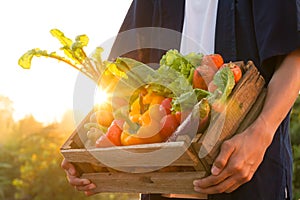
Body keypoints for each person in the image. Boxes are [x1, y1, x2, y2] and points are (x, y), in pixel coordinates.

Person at [61, 0, 300, 199]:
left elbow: (294, 55)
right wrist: (89, 153)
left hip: (246, 175)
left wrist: (260, 135)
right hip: (164, 185)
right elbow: (123, 84)